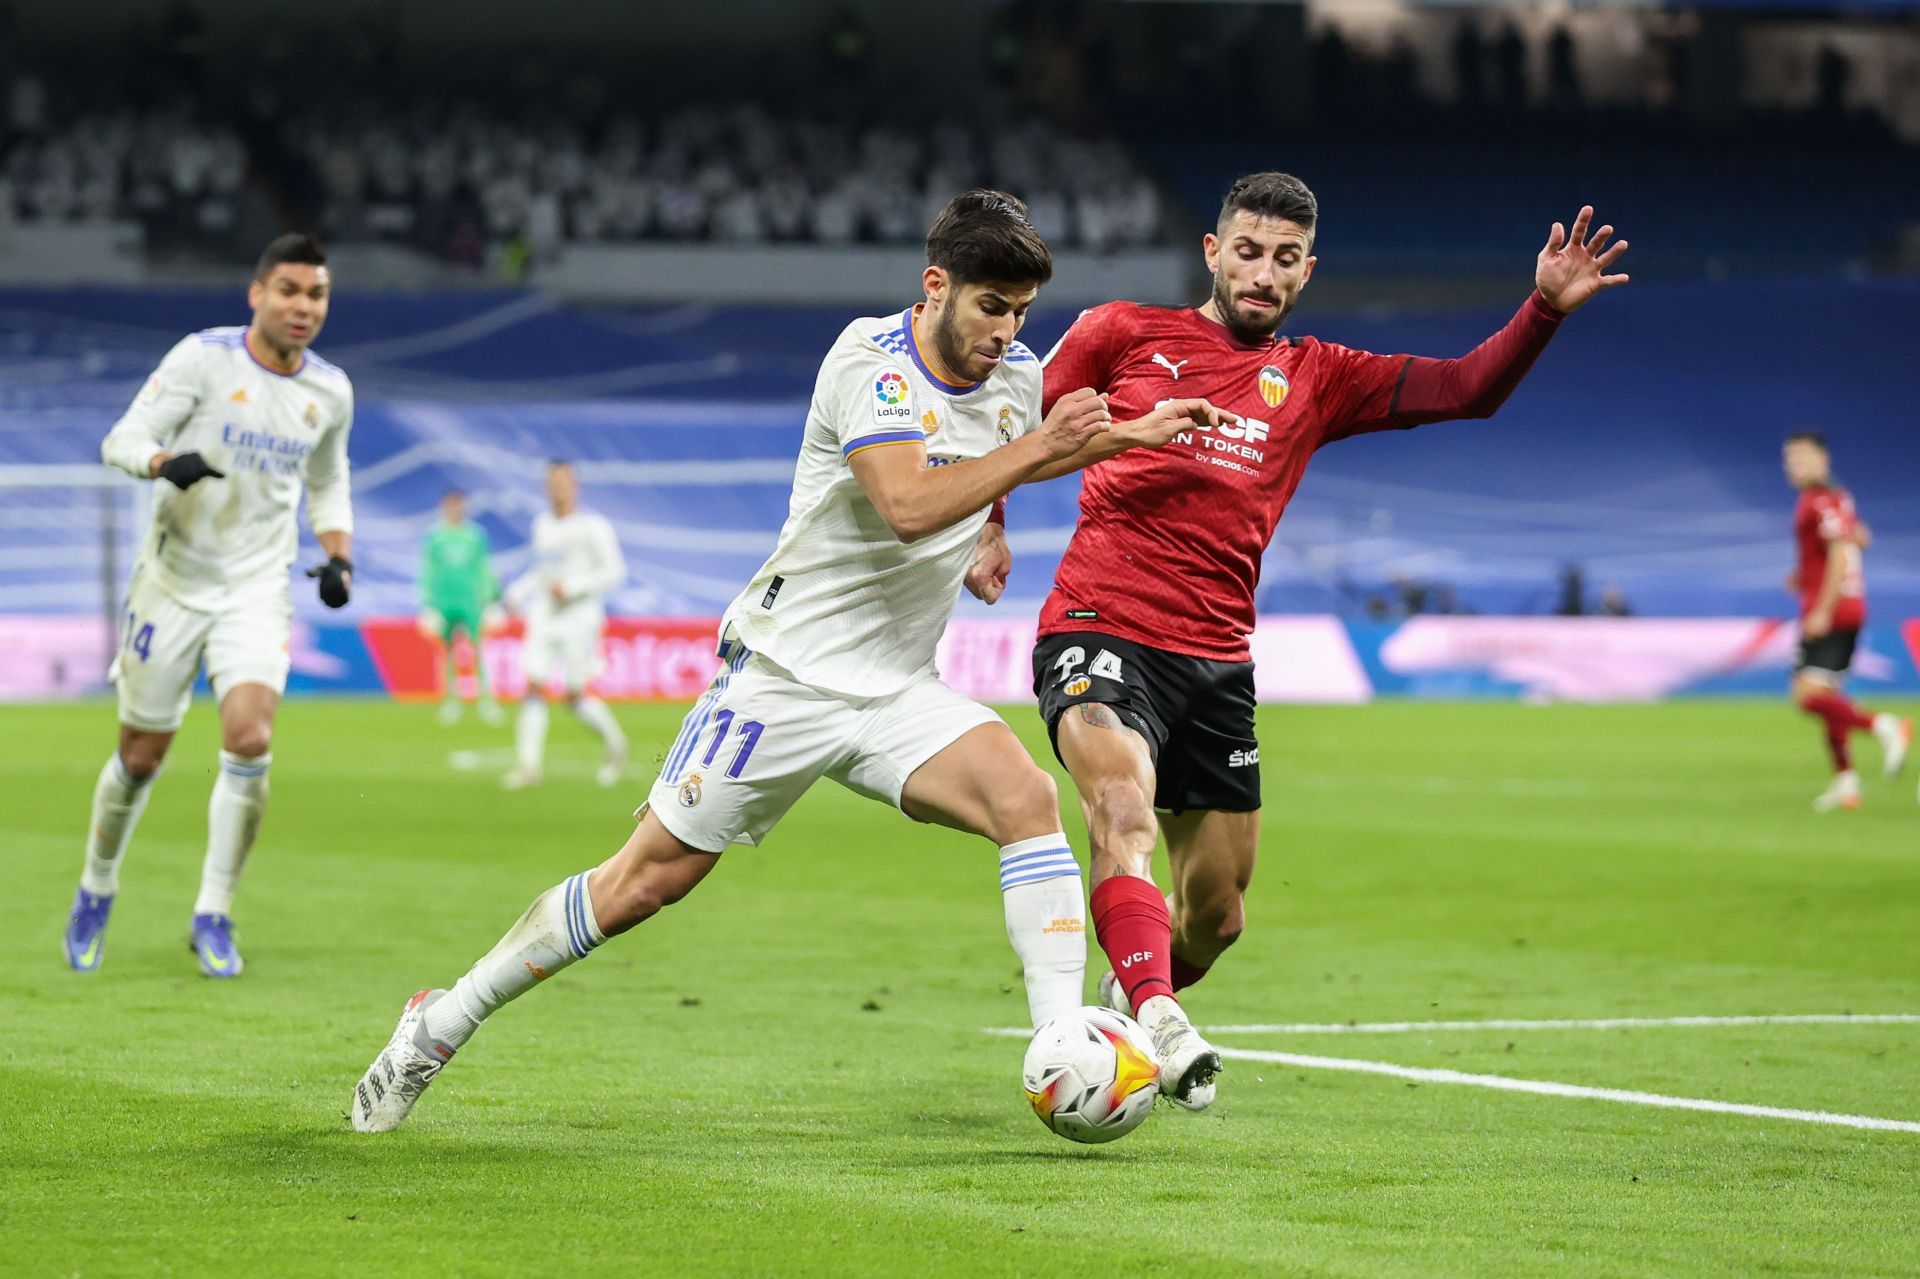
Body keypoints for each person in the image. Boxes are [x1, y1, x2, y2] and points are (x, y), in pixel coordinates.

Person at [349, 190, 1230, 1132]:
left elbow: (1013, 449)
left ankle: (1065, 1043)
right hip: (786, 676)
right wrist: (1045, 449)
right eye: (990, 306)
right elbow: (906, 503)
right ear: (935, 287)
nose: (1007, 331)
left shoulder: (1015, 375)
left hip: (896, 686)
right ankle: (437, 1024)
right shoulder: (870, 364)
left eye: (1021, 312)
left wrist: (1113, 438)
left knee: (1026, 800)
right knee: (644, 882)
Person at [1003, 171, 1630, 1109]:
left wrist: (1541, 309)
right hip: (1100, 625)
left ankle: (1136, 991)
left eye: (1284, 259)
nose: (1263, 272)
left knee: (1216, 918)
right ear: (1213, 252)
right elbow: (1011, 424)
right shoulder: (1121, 331)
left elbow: (1464, 389)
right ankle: (1160, 1021)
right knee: (1121, 810)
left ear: (1306, 270)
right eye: (1248, 252)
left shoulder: (1319, 377)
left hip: (1216, 659)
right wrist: (988, 522)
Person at [64, 232, 354, 978]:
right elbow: (121, 438)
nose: (302, 306)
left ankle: (213, 912)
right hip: (172, 581)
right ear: (256, 293)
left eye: (316, 294)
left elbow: (328, 480)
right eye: (288, 290)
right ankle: (96, 886)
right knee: (140, 755)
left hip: (256, 589)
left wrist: (338, 554)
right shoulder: (203, 357)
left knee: (250, 739)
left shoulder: (330, 393)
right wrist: (164, 461)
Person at [1781, 431, 1910, 812]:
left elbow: (1839, 552)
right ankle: (1847, 782)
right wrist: (1804, 574)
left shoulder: (1819, 501)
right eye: (1789, 459)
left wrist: (1821, 606)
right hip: (1847, 605)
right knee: (1828, 696)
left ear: (1823, 459)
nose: (1794, 465)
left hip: (1834, 610)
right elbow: (1860, 538)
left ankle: (1884, 726)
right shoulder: (1837, 497)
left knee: (1807, 697)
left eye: (1802, 457)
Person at [500, 461, 629, 790]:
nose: (557, 487)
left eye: (563, 481)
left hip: (580, 617)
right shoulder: (542, 524)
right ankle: (529, 767)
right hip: (544, 614)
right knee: (533, 684)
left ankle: (615, 743)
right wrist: (518, 591)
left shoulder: (593, 527)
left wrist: (573, 587)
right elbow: (542, 571)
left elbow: (615, 572)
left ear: (575, 486)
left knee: (573, 695)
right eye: (551, 482)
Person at [418, 487, 504, 726]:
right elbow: (428, 570)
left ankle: (486, 700)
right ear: (444, 506)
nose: (456, 509)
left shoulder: (475, 535)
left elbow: (484, 568)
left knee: (477, 649)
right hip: (444, 601)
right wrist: (427, 603)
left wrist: (491, 598)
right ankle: (451, 701)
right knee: (446, 652)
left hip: (470, 600)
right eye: (451, 504)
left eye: (459, 504)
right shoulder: (435, 536)